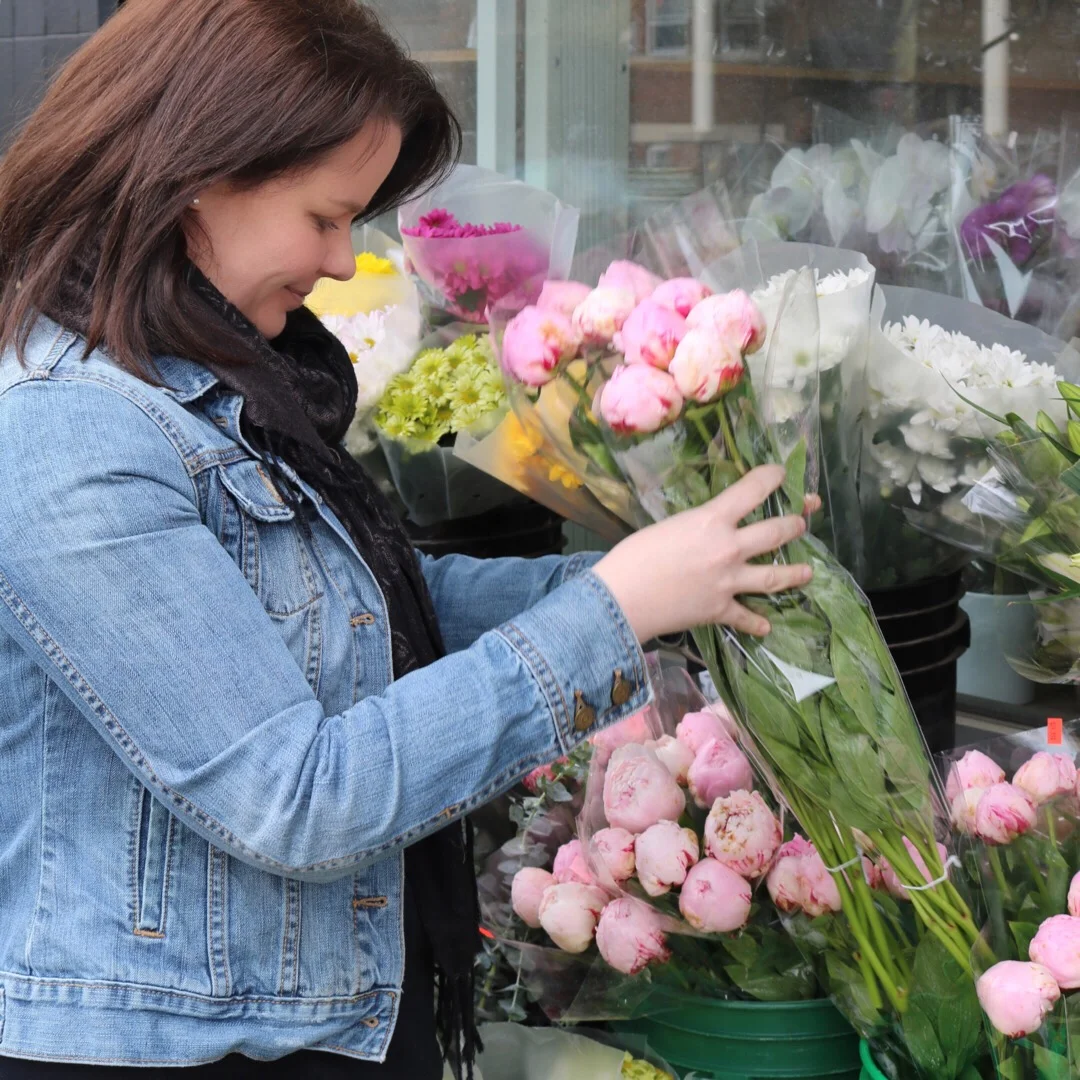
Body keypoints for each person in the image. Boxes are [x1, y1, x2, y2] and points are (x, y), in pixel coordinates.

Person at [0, 0, 815, 1075]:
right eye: (326, 216)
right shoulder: (69, 429)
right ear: (196, 175)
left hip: (310, 1018)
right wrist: (613, 613)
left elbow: (353, 603)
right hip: (183, 1049)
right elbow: (296, 797)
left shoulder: (201, 382)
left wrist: (654, 582)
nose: (345, 262)